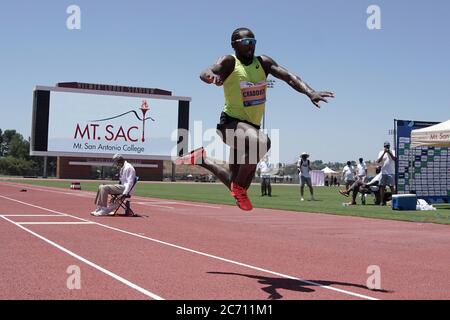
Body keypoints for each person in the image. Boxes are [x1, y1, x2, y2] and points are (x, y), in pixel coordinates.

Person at [175, 27, 334, 211]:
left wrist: (310, 92)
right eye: (246, 42)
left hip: (250, 129)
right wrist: (209, 76)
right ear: (234, 45)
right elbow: (209, 70)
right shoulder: (230, 61)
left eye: (253, 42)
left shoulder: (263, 62)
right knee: (262, 143)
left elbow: (289, 77)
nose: (250, 46)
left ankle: (202, 159)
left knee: (235, 182)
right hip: (230, 125)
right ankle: (240, 188)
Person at [377, 141, 397, 206]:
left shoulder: (393, 151)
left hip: (391, 172)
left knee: (391, 187)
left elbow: (394, 159)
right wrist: (384, 153)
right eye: (385, 146)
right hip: (383, 172)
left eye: (388, 146)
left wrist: (389, 152)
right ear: (384, 147)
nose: (387, 147)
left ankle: (394, 201)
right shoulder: (381, 152)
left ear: (389, 146)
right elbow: (378, 161)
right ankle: (382, 201)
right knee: (382, 187)